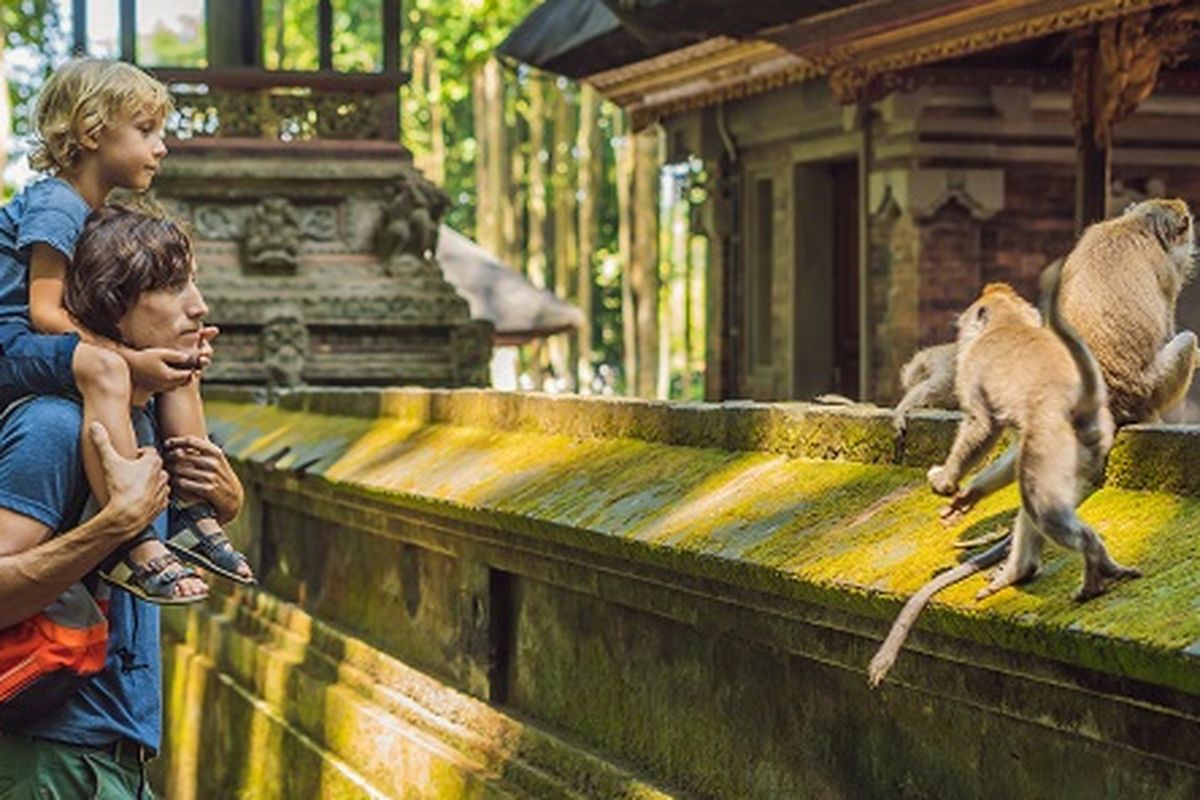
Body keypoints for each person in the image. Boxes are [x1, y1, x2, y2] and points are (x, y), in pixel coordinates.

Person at [0, 205, 244, 798]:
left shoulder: (142, 423)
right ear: (112, 307)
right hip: (51, 758)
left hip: (114, 755)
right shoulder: (56, 429)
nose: (198, 305)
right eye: (170, 285)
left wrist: (223, 499)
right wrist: (114, 526)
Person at [0, 57, 253, 603]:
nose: (161, 147)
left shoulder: (91, 214)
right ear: (92, 132)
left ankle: (194, 512)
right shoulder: (56, 204)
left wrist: (222, 493)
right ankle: (135, 535)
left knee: (177, 368)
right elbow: (45, 313)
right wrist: (128, 360)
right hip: (10, 343)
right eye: (146, 131)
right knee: (104, 366)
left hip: (40, 342)